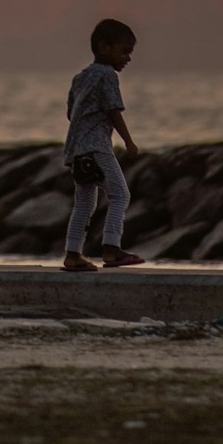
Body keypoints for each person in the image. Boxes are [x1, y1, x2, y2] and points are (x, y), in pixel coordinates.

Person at [61, 19, 144, 272]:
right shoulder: (108, 75)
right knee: (121, 194)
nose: (128, 58)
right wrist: (128, 141)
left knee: (85, 203)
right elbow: (113, 111)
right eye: (124, 51)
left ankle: (73, 254)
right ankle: (111, 249)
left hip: (76, 150)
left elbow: (70, 113)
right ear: (104, 48)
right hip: (97, 148)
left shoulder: (80, 77)